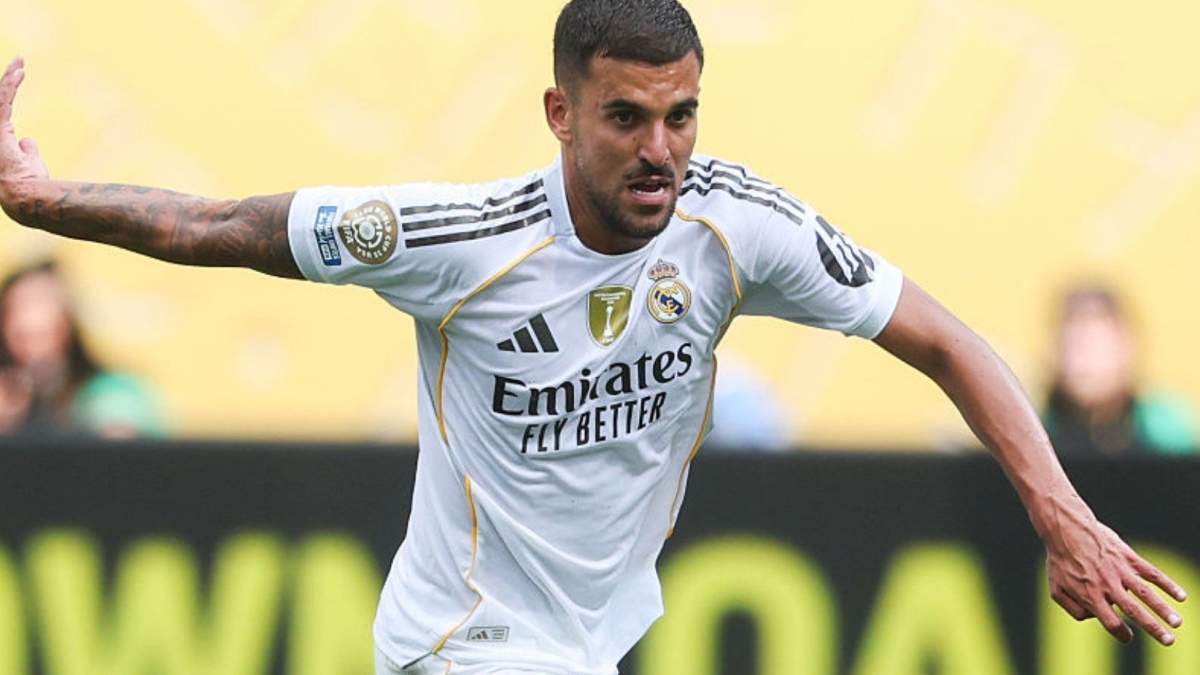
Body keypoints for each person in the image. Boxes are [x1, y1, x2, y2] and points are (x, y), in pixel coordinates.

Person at [0, 1, 1187, 672]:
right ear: (562, 114)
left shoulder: (738, 227)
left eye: (681, 116)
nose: (660, 149)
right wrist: (45, 205)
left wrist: (1061, 510)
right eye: (626, 117)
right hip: (466, 643)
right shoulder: (458, 238)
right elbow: (223, 224)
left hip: (596, 641)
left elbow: (943, 338)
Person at [0, 259, 162, 438]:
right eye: (16, 308)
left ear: (69, 321)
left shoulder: (112, 393)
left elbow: (129, 452)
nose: (30, 319)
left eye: (42, 302)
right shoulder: (8, 399)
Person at [1045, 285, 1195, 456]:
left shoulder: (1164, 433)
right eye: (1075, 346)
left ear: (1127, 348)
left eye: (1097, 348)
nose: (1085, 363)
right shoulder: (1033, 432)